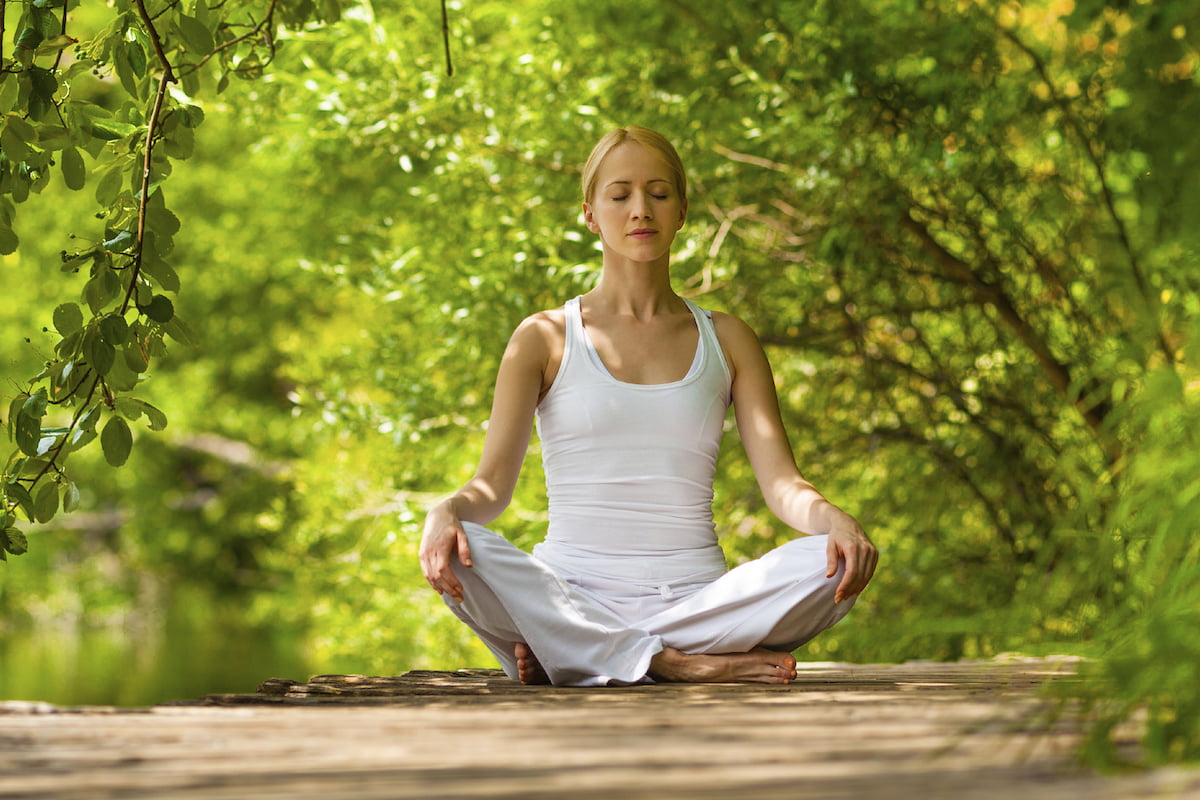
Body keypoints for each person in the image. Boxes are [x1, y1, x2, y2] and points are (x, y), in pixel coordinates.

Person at [419, 125, 877, 687]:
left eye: (659, 194)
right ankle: (667, 662)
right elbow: (491, 489)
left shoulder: (728, 339)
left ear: (681, 210)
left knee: (828, 561)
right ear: (591, 213)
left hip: (698, 602)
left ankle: (586, 652)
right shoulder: (543, 337)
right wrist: (446, 511)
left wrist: (835, 520)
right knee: (464, 552)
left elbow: (782, 483)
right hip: (570, 592)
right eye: (620, 195)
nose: (641, 209)